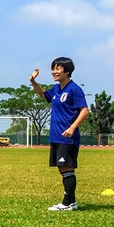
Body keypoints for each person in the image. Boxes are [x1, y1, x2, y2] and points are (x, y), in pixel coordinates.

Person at [30, 57, 89, 211]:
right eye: (53, 68)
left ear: (67, 71)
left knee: (67, 168)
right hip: (56, 136)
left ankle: (67, 203)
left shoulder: (74, 89)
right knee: (62, 168)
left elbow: (84, 110)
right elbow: (44, 95)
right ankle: (71, 202)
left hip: (67, 137)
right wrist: (33, 82)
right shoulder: (56, 89)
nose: (54, 72)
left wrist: (72, 128)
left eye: (57, 69)